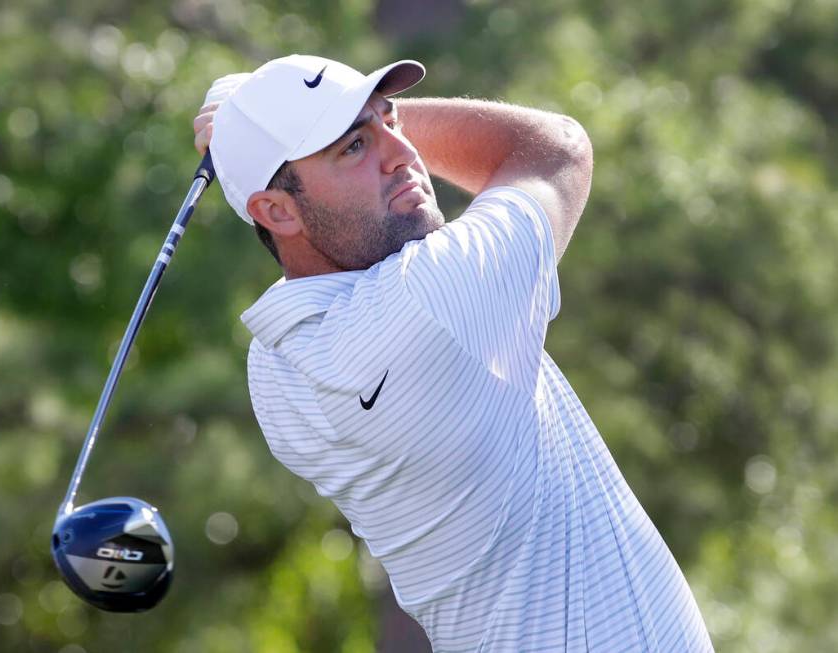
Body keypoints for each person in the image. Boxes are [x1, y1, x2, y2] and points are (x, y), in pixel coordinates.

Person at [192, 54, 713, 652]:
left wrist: (255, 131)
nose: (403, 151)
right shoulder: (433, 299)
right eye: (355, 146)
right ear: (276, 211)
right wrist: (252, 120)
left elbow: (322, 249)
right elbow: (557, 148)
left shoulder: (274, 367)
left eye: (392, 121)